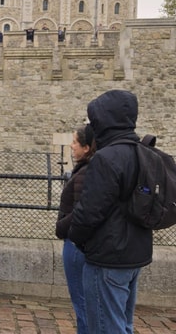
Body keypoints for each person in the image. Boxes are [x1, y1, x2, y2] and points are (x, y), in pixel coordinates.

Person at [69, 90, 152, 334]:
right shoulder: (143, 152)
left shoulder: (106, 158)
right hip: (134, 255)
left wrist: (76, 237)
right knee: (123, 325)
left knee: (105, 328)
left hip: (107, 257)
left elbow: (89, 212)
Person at [55, 125, 95, 334]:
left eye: (75, 143)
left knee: (82, 304)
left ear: (87, 148)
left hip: (76, 244)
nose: (71, 146)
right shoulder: (89, 169)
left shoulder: (84, 173)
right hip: (81, 243)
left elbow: (81, 212)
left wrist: (60, 227)